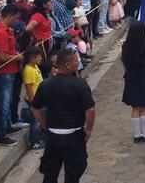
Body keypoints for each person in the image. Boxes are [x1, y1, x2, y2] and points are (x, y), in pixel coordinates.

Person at [31, 48, 96, 183]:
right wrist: (88, 130)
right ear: (67, 65)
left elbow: (35, 108)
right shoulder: (80, 84)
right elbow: (90, 110)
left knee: (50, 173)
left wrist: (46, 125)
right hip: (74, 136)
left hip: (53, 136)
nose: (78, 62)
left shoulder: (46, 84)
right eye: (76, 61)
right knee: (73, 175)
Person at [0, 4, 24, 146]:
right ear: (9, 16)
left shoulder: (5, 31)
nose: (16, 21)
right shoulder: (1, 33)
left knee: (7, 103)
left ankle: (7, 126)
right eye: (15, 18)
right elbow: (2, 56)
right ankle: (1, 134)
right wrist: (18, 57)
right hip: (3, 74)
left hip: (9, 72)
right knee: (4, 105)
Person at [21, 47, 45, 149]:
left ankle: (38, 137)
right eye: (39, 57)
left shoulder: (34, 67)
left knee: (38, 119)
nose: (41, 59)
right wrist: (33, 101)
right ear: (32, 58)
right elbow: (29, 87)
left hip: (38, 98)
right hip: (34, 99)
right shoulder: (29, 70)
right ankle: (34, 141)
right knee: (35, 121)